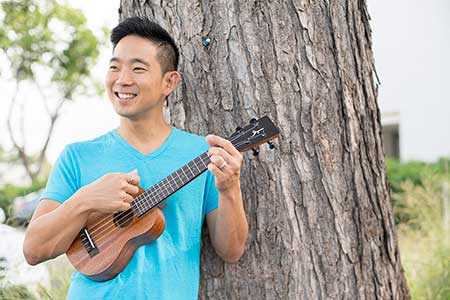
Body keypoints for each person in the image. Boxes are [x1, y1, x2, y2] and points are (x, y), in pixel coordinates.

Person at [23, 16, 248, 300]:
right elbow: (33, 249)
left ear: (169, 82)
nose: (123, 79)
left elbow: (231, 250)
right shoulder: (78, 156)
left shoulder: (202, 154)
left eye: (138, 69)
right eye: (114, 67)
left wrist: (230, 188)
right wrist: (87, 199)